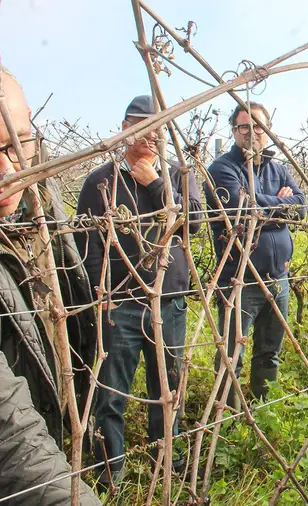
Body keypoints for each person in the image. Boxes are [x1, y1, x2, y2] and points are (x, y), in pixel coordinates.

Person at [76, 95, 203, 485]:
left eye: (158, 128)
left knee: (168, 386)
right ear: (124, 129)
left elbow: (193, 223)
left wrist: (154, 183)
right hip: (122, 302)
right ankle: (110, 471)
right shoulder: (101, 181)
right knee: (112, 392)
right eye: (140, 126)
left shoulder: (179, 174)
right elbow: (89, 246)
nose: (149, 135)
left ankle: (167, 460)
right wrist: (106, 298)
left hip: (169, 300)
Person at [0, 66, 99, 504]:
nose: (6, 169)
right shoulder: (101, 180)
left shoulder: (40, 210)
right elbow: (14, 439)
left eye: (16, 143)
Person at [205, 101, 306, 408]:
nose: (251, 132)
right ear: (234, 131)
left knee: (269, 349)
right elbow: (241, 209)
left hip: (278, 277)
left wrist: (263, 203)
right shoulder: (222, 168)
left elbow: (300, 207)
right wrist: (278, 203)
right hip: (240, 279)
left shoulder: (278, 167)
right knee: (231, 354)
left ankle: (263, 411)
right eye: (243, 127)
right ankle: (229, 414)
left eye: (257, 126)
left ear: (268, 129)